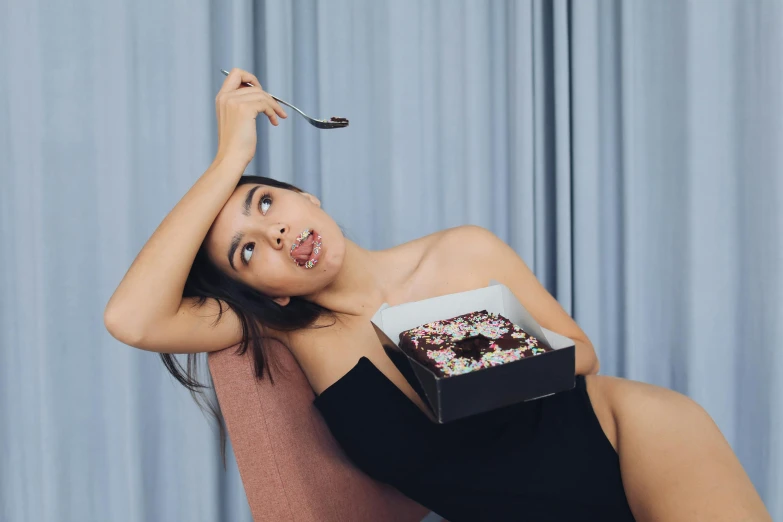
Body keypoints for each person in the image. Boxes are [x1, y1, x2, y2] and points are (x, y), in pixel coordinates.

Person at [104, 68, 771, 522]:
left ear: (307, 197)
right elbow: (131, 318)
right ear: (263, 295)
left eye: (265, 200)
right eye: (248, 251)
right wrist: (229, 158)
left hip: (628, 435)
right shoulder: (297, 329)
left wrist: (481, 359)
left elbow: (584, 357)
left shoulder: (461, 250)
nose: (276, 231)